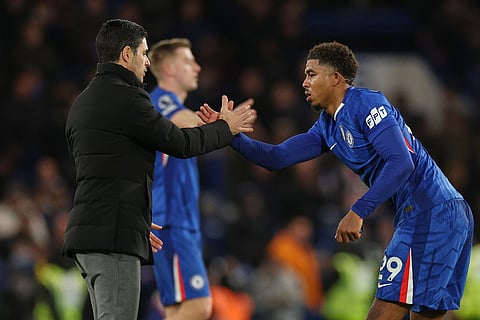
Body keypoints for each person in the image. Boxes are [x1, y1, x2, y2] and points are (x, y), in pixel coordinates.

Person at [198, 41, 474, 320]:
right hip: (438, 213)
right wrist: (228, 134)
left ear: (336, 79)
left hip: (431, 212)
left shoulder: (367, 103)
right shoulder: (327, 126)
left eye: (311, 74)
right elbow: (277, 157)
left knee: (383, 314)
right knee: (425, 316)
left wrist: (358, 211)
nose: (304, 82)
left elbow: (402, 161)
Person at [62, 19, 255, 320]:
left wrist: (134, 217)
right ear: (127, 54)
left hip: (94, 231)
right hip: (112, 237)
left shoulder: (82, 102)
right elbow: (179, 143)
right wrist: (224, 128)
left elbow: (105, 169)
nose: (147, 61)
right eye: (143, 52)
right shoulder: (127, 97)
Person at [147, 37, 253, 320]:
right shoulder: (160, 102)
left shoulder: (170, 105)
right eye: (188, 60)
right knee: (199, 306)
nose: (197, 66)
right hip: (171, 220)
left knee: (177, 309)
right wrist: (221, 125)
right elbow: (181, 120)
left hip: (177, 220)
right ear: (168, 69)